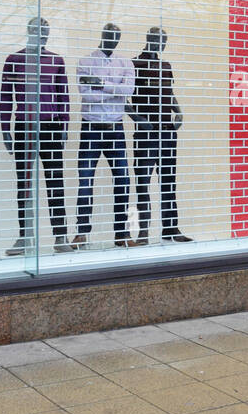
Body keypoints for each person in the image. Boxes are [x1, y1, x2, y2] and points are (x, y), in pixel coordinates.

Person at [0, 17, 71, 255]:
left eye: (47, 31)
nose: (44, 35)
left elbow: (63, 96)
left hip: (50, 127)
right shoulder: (14, 60)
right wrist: (5, 130)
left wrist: (64, 126)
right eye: (39, 31)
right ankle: (25, 237)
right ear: (29, 31)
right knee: (25, 183)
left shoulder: (55, 60)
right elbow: (5, 98)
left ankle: (60, 236)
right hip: (24, 126)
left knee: (55, 182)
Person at [72, 23, 138, 248]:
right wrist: (114, 89)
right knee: (85, 180)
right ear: (102, 35)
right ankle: (81, 233)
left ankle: (122, 234)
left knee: (123, 180)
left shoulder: (125, 62)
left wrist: (100, 83)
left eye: (117, 37)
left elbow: (128, 91)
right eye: (111, 36)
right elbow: (86, 96)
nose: (114, 40)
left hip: (115, 128)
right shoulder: (85, 61)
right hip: (91, 127)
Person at [129, 27, 192, 244]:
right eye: (158, 40)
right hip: (147, 134)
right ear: (149, 39)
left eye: (164, 40)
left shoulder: (166, 66)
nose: (161, 44)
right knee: (143, 183)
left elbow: (169, 92)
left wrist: (178, 111)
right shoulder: (135, 64)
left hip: (167, 132)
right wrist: (138, 120)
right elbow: (124, 99)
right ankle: (143, 232)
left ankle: (171, 228)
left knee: (168, 181)